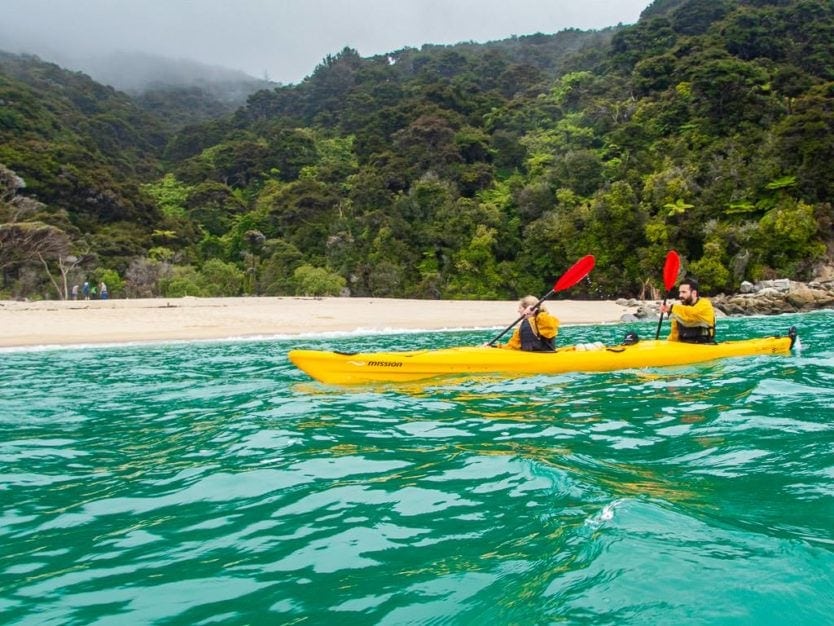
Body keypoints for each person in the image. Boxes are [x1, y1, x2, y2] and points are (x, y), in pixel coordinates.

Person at [659, 277, 716, 343]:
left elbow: (692, 313)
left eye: (684, 292)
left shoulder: (705, 304)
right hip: (684, 346)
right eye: (680, 292)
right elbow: (674, 333)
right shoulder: (679, 309)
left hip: (704, 345)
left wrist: (671, 308)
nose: (680, 295)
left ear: (694, 293)